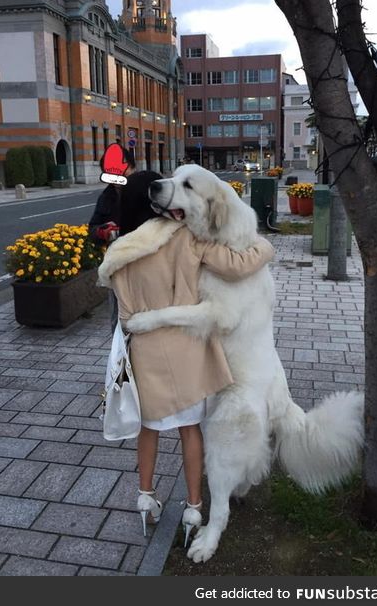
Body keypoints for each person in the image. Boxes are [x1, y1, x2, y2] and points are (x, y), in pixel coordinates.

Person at [98, 171, 274, 545]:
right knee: (190, 430)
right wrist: (265, 248)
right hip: (188, 354)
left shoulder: (118, 255)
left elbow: (126, 317)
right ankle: (194, 507)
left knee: (147, 429)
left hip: (145, 356)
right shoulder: (186, 239)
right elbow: (237, 264)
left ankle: (146, 499)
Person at [89, 146, 136, 331]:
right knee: (118, 317)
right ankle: (119, 357)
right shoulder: (106, 197)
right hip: (117, 263)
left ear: (131, 166)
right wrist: (102, 232)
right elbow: (92, 228)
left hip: (145, 262)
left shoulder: (147, 190)